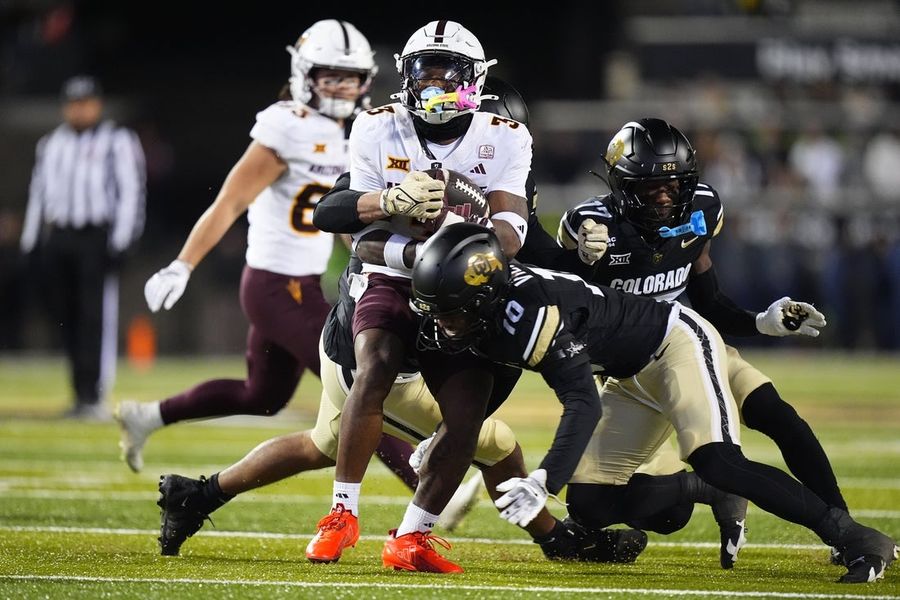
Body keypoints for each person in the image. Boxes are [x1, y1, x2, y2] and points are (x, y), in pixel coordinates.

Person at [412, 222, 897, 583]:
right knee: (591, 503)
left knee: (719, 459)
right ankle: (704, 490)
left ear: (484, 299)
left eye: (452, 313)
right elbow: (502, 374)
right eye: (437, 312)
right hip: (626, 373)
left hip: (671, 344)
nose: (444, 325)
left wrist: (543, 480)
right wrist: (448, 434)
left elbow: (582, 401)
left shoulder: (531, 313)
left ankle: (856, 538)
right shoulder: (491, 313)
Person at [116, 20, 416, 486]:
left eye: (351, 77)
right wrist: (183, 264)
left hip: (303, 282)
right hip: (275, 284)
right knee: (358, 380)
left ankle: (149, 416)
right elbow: (230, 201)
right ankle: (426, 482)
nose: (342, 87)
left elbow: (345, 217)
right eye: (330, 76)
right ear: (305, 75)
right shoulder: (286, 125)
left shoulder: (358, 131)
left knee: (263, 395)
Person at [557, 118, 855, 564]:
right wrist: (581, 261)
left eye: (673, 185)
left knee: (778, 416)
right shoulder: (592, 225)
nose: (666, 196)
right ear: (622, 186)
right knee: (602, 505)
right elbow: (557, 296)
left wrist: (761, 322)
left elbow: (709, 301)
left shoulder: (701, 207)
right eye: (652, 187)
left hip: (689, 346)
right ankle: (706, 488)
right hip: (630, 374)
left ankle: (845, 531)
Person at [305, 20, 544, 571]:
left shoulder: (507, 135)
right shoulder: (376, 126)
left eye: (447, 74)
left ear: (475, 79)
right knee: (375, 364)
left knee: (467, 411)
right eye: (424, 73)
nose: (434, 84)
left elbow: (512, 234)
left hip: (465, 284)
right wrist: (392, 202)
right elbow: (356, 237)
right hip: (392, 271)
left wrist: (458, 231)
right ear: (405, 76)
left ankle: (413, 535)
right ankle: (341, 514)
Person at [20, 75, 146, 420]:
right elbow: (38, 193)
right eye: (74, 104)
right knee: (66, 315)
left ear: (97, 105)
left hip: (95, 236)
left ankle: (94, 394)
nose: (80, 110)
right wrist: (31, 241)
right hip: (60, 236)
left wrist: (122, 241)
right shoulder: (51, 144)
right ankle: (79, 392)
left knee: (94, 315)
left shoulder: (117, 140)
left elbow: (131, 192)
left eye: (86, 103)